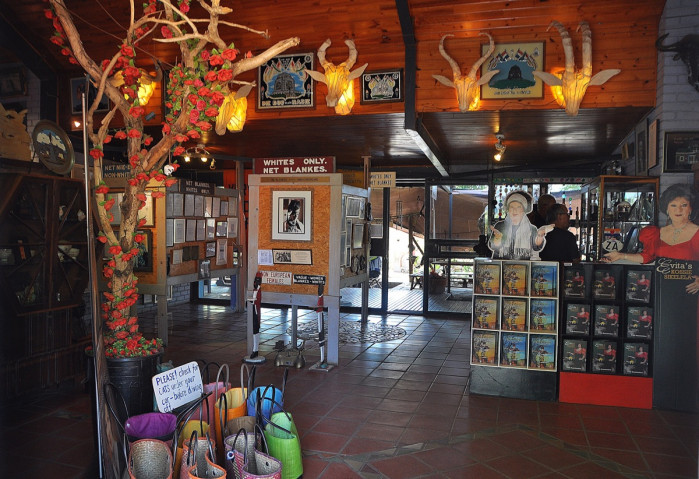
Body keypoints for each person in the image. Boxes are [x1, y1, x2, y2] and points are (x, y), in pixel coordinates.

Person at [603, 183, 699, 293]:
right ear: (667, 209)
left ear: (691, 209)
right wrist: (621, 255)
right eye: (673, 205)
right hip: (663, 292)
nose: (678, 210)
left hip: (690, 293)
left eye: (684, 205)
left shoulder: (697, 233)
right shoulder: (656, 233)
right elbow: (647, 257)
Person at [489, 191, 547, 260]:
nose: (515, 210)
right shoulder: (500, 226)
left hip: (523, 265)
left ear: (524, 210)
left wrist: (540, 236)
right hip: (501, 264)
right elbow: (493, 247)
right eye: (512, 207)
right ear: (508, 209)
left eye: (518, 207)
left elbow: (536, 247)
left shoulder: (531, 229)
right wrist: (497, 238)